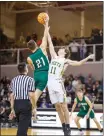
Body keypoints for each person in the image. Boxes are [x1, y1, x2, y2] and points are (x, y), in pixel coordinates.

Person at [47, 27, 95, 136]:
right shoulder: (54, 57)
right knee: (57, 107)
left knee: (63, 106)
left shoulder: (65, 61)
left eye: (62, 49)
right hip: (50, 84)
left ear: (64, 52)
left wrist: (87, 57)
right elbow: (50, 43)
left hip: (58, 83)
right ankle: (64, 126)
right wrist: (46, 29)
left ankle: (68, 127)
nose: (59, 49)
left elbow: (78, 63)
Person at [27, 19, 49, 116]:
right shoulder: (42, 49)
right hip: (44, 75)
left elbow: (32, 68)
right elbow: (45, 37)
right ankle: (33, 110)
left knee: (33, 95)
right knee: (36, 96)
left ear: (29, 48)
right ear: (36, 44)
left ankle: (34, 109)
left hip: (36, 75)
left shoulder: (29, 58)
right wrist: (46, 25)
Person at [9, 62, 35, 136]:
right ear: (26, 69)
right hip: (25, 104)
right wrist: (34, 107)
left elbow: (11, 95)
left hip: (16, 105)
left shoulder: (14, 80)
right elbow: (31, 95)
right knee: (22, 130)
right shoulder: (30, 80)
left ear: (18, 70)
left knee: (22, 127)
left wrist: (12, 109)